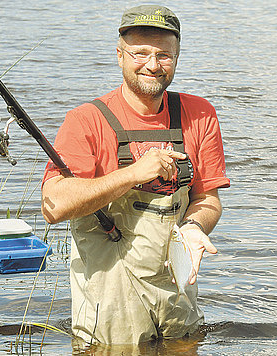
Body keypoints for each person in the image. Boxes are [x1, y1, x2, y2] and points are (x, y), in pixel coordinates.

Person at [41, 5, 230, 345]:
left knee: (186, 346)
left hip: (177, 296)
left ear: (177, 56)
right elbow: (54, 206)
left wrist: (194, 226)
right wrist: (131, 175)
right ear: (119, 55)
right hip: (108, 306)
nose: (153, 65)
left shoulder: (200, 114)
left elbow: (207, 198)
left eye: (164, 55)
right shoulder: (86, 120)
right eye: (140, 53)